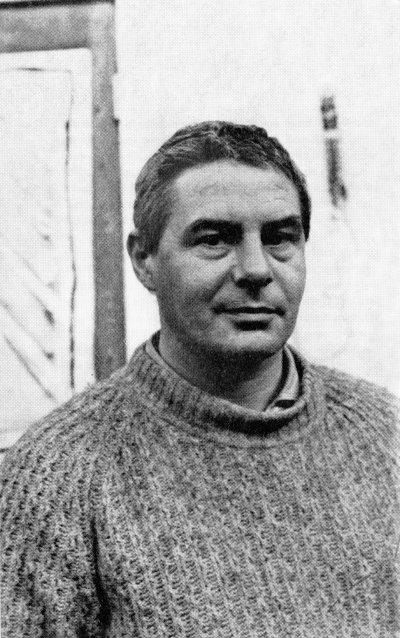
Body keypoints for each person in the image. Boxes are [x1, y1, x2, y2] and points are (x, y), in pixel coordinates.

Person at [1, 121, 399, 637]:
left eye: (280, 238)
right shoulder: (58, 476)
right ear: (144, 260)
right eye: (214, 240)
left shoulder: (383, 433)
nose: (256, 269)